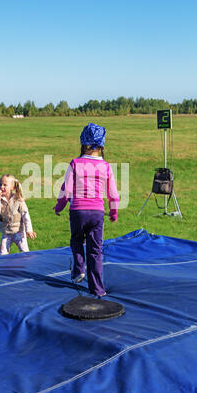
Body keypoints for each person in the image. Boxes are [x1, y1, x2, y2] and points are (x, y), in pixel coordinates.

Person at [54, 123, 119, 298]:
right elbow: (113, 193)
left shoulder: (75, 163)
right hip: (97, 212)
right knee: (96, 250)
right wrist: (113, 212)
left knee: (76, 241)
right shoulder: (105, 166)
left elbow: (66, 190)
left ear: (82, 143)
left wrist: (59, 206)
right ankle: (98, 288)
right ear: (102, 145)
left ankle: (78, 269)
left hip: (78, 211)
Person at [0, 174, 37, 255]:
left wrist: (29, 230)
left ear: (12, 187)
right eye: (0, 184)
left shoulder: (18, 200)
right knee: (2, 253)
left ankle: (28, 265)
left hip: (19, 232)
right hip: (6, 233)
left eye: (5, 185)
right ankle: (3, 266)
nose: (2, 187)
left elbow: (26, 215)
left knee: (25, 252)